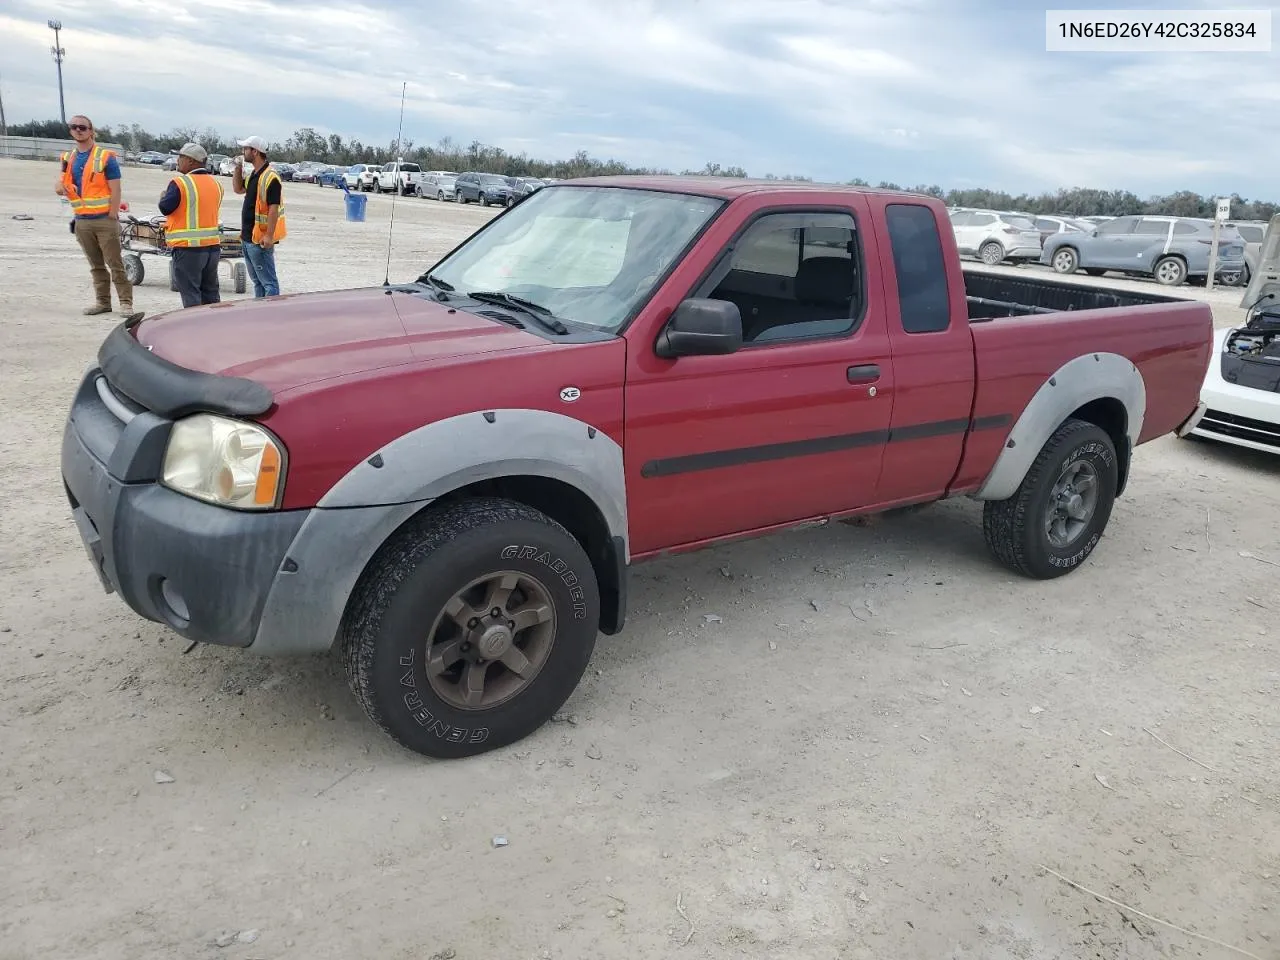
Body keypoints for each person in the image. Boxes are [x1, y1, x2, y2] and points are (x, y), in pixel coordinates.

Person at [53, 115, 143, 320]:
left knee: (115, 263)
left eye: (82, 127)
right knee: (96, 265)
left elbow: (116, 188)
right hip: (82, 220)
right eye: (74, 127)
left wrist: (112, 215)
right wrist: (59, 188)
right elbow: (62, 184)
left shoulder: (105, 157)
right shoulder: (68, 158)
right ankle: (103, 302)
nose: (78, 130)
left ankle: (125, 303)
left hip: (104, 220)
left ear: (91, 130)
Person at [157, 142, 225, 308]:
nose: (178, 160)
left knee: (191, 294)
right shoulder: (216, 184)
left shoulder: (180, 183)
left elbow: (165, 208)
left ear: (191, 161)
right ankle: (216, 327)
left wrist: (163, 196)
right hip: (212, 248)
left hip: (188, 250)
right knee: (210, 293)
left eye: (180, 157)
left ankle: (195, 331)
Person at [231, 135, 286, 297]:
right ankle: (261, 316)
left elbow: (273, 208)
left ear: (255, 152)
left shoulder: (271, 177)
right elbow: (238, 189)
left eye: (246, 149)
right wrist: (237, 168)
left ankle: (271, 318)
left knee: (268, 283)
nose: (243, 152)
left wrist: (269, 236)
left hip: (261, 240)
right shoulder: (255, 175)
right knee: (257, 282)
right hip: (249, 237)